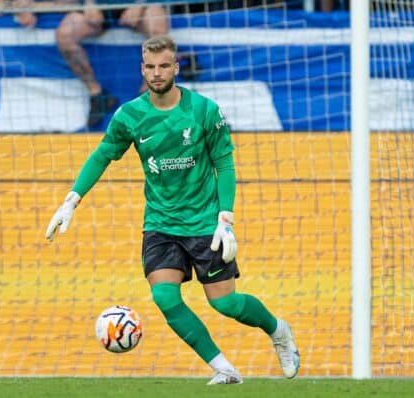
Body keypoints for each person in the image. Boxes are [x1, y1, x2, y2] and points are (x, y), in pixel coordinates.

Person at [45, 34, 300, 384]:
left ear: (176, 67)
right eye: (150, 67)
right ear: (142, 69)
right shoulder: (130, 115)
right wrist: (71, 200)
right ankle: (223, 368)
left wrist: (226, 218)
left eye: (164, 65)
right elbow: (103, 155)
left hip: (205, 223)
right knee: (164, 296)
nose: (157, 73)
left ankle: (277, 330)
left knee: (225, 304)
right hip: (161, 224)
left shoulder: (203, 111)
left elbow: (224, 164)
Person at [55, 0, 168, 129]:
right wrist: (90, 4)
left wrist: (139, 5)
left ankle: (148, 96)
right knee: (65, 35)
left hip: (140, 4)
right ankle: (98, 94)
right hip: (102, 5)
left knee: (158, 30)